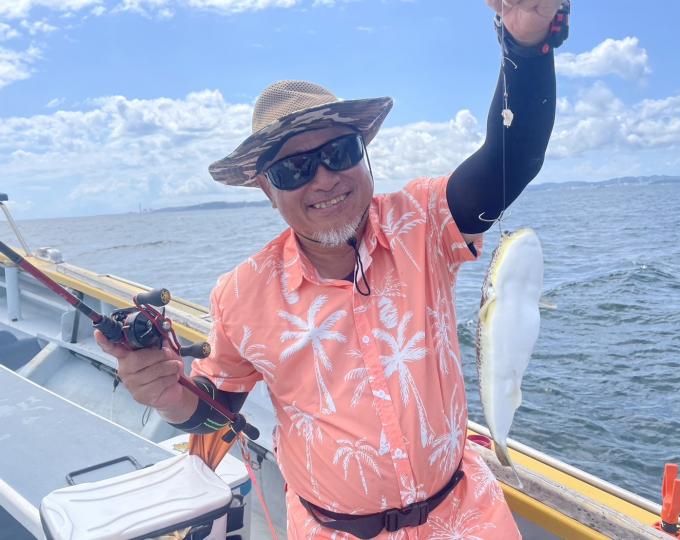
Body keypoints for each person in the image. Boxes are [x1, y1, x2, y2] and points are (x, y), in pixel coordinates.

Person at [96, 0, 567, 537]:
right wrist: (164, 392)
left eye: (340, 152)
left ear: (363, 153)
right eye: (293, 168)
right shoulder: (241, 294)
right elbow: (217, 409)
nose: (324, 178)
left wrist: (525, 44)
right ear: (266, 189)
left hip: (466, 516)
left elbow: (514, 157)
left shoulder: (423, 222)